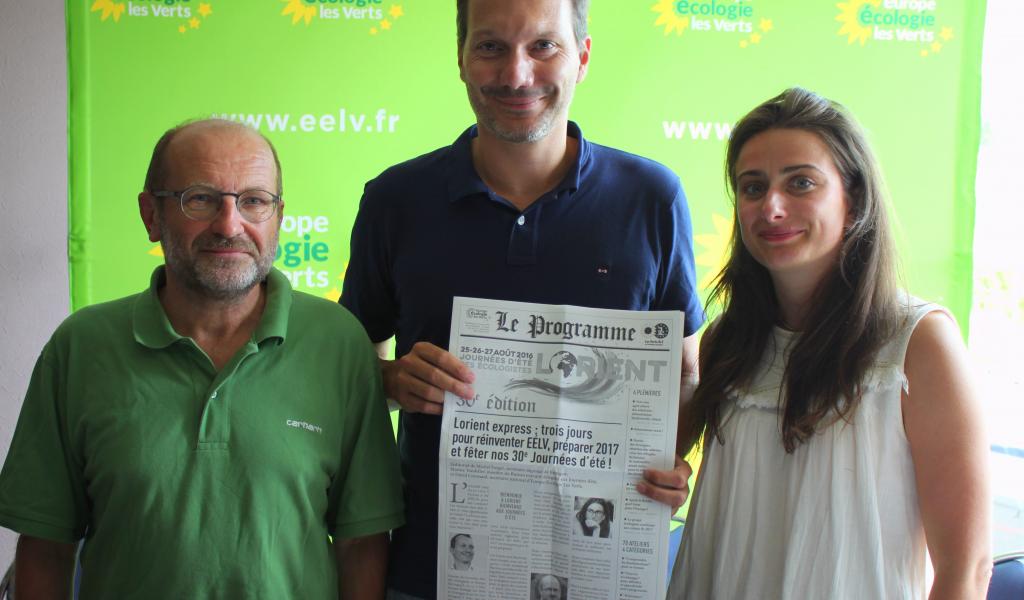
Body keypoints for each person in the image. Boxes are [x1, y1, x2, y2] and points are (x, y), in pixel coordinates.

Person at [340, 0, 704, 597]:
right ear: (460, 58)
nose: (516, 75)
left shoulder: (652, 198)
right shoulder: (395, 200)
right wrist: (390, 380)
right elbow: (351, 369)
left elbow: (686, 377)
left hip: (601, 570)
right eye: (490, 47)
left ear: (582, 57)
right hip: (431, 569)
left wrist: (668, 459)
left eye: (543, 46)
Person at [0, 119, 404, 599]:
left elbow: (361, 544)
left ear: (277, 216)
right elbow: (46, 545)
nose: (229, 225)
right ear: (152, 214)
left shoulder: (338, 343)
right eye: (200, 198)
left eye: (253, 201)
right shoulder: (82, 347)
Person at [668, 88, 992, 599]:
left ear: (854, 198)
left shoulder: (920, 343)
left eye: (801, 183)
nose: (771, 207)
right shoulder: (724, 342)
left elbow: (965, 571)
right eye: (752, 188)